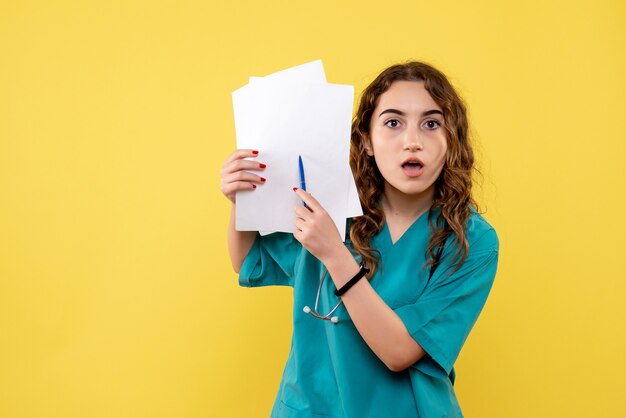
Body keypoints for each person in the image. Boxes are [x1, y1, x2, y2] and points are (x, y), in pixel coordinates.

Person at [220, 61, 499, 418]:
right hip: (309, 409)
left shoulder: (471, 241)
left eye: (431, 124)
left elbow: (399, 352)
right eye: (393, 123)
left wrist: (335, 255)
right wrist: (241, 202)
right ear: (366, 140)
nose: (412, 142)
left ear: (451, 140)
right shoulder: (330, 207)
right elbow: (247, 261)